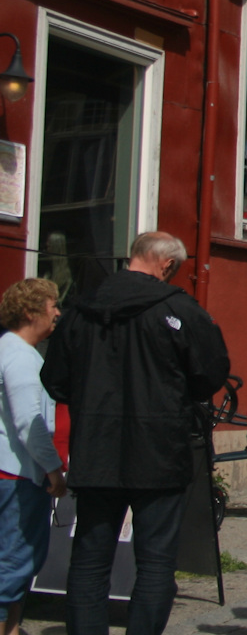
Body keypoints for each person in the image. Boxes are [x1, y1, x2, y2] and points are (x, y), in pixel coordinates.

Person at [43, 231, 229, 635]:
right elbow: (210, 374)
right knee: (156, 561)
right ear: (165, 264)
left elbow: (55, 380)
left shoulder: (79, 310)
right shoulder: (180, 310)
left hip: (96, 448)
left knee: (90, 560)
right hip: (160, 452)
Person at [0, 280, 64, 635]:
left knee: (13, 563)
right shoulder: (21, 356)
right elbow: (29, 422)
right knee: (15, 561)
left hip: (9, 472)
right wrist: (54, 470)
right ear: (30, 312)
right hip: (16, 475)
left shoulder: (8, 349)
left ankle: (12, 629)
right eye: (52, 305)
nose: (57, 312)